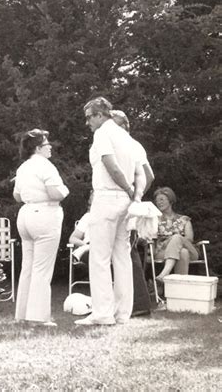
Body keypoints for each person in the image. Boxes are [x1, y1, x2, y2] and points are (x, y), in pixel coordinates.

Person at [75, 97, 145, 326]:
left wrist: (127, 188)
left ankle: (103, 313)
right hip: (124, 201)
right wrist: (134, 196)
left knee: (99, 258)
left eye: (89, 118)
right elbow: (140, 173)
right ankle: (122, 313)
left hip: (107, 197)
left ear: (99, 115)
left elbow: (110, 164)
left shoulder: (103, 133)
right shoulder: (126, 137)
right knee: (122, 257)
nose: (87, 123)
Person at [13, 128, 69, 327]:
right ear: (38, 148)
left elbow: (17, 196)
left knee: (28, 267)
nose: (50, 146)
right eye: (47, 144)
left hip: (26, 215)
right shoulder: (45, 166)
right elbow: (55, 193)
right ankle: (37, 317)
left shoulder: (23, 168)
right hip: (45, 215)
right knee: (42, 269)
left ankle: (22, 314)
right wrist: (65, 190)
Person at [111, 109, 153, 316]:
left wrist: (134, 197)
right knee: (128, 252)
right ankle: (137, 305)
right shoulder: (134, 145)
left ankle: (137, 305)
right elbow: (149, 176)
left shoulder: (128, 145)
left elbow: (148, 175)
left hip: (124, 202)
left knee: (128, 253)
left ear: (123, 126)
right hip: (127, 202)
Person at [153, 186, 199, 282]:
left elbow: (189, 239)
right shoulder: (154, 220)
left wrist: (173, 239)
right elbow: (151, 237)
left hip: (190, 250)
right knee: (183, 253)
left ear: (171, 200)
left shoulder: (184, 219)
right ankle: (179, 290)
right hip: (163, 252)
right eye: (157, 201)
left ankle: (165, 273)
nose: (159, 202)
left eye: (162, 199)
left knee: (177, 238)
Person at [68, 191, 93, 263]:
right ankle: (85, 249)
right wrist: (86, 245)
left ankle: (83, 250)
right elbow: (73, 238)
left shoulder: (113, 217)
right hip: (89, 247)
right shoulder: (88, 217)